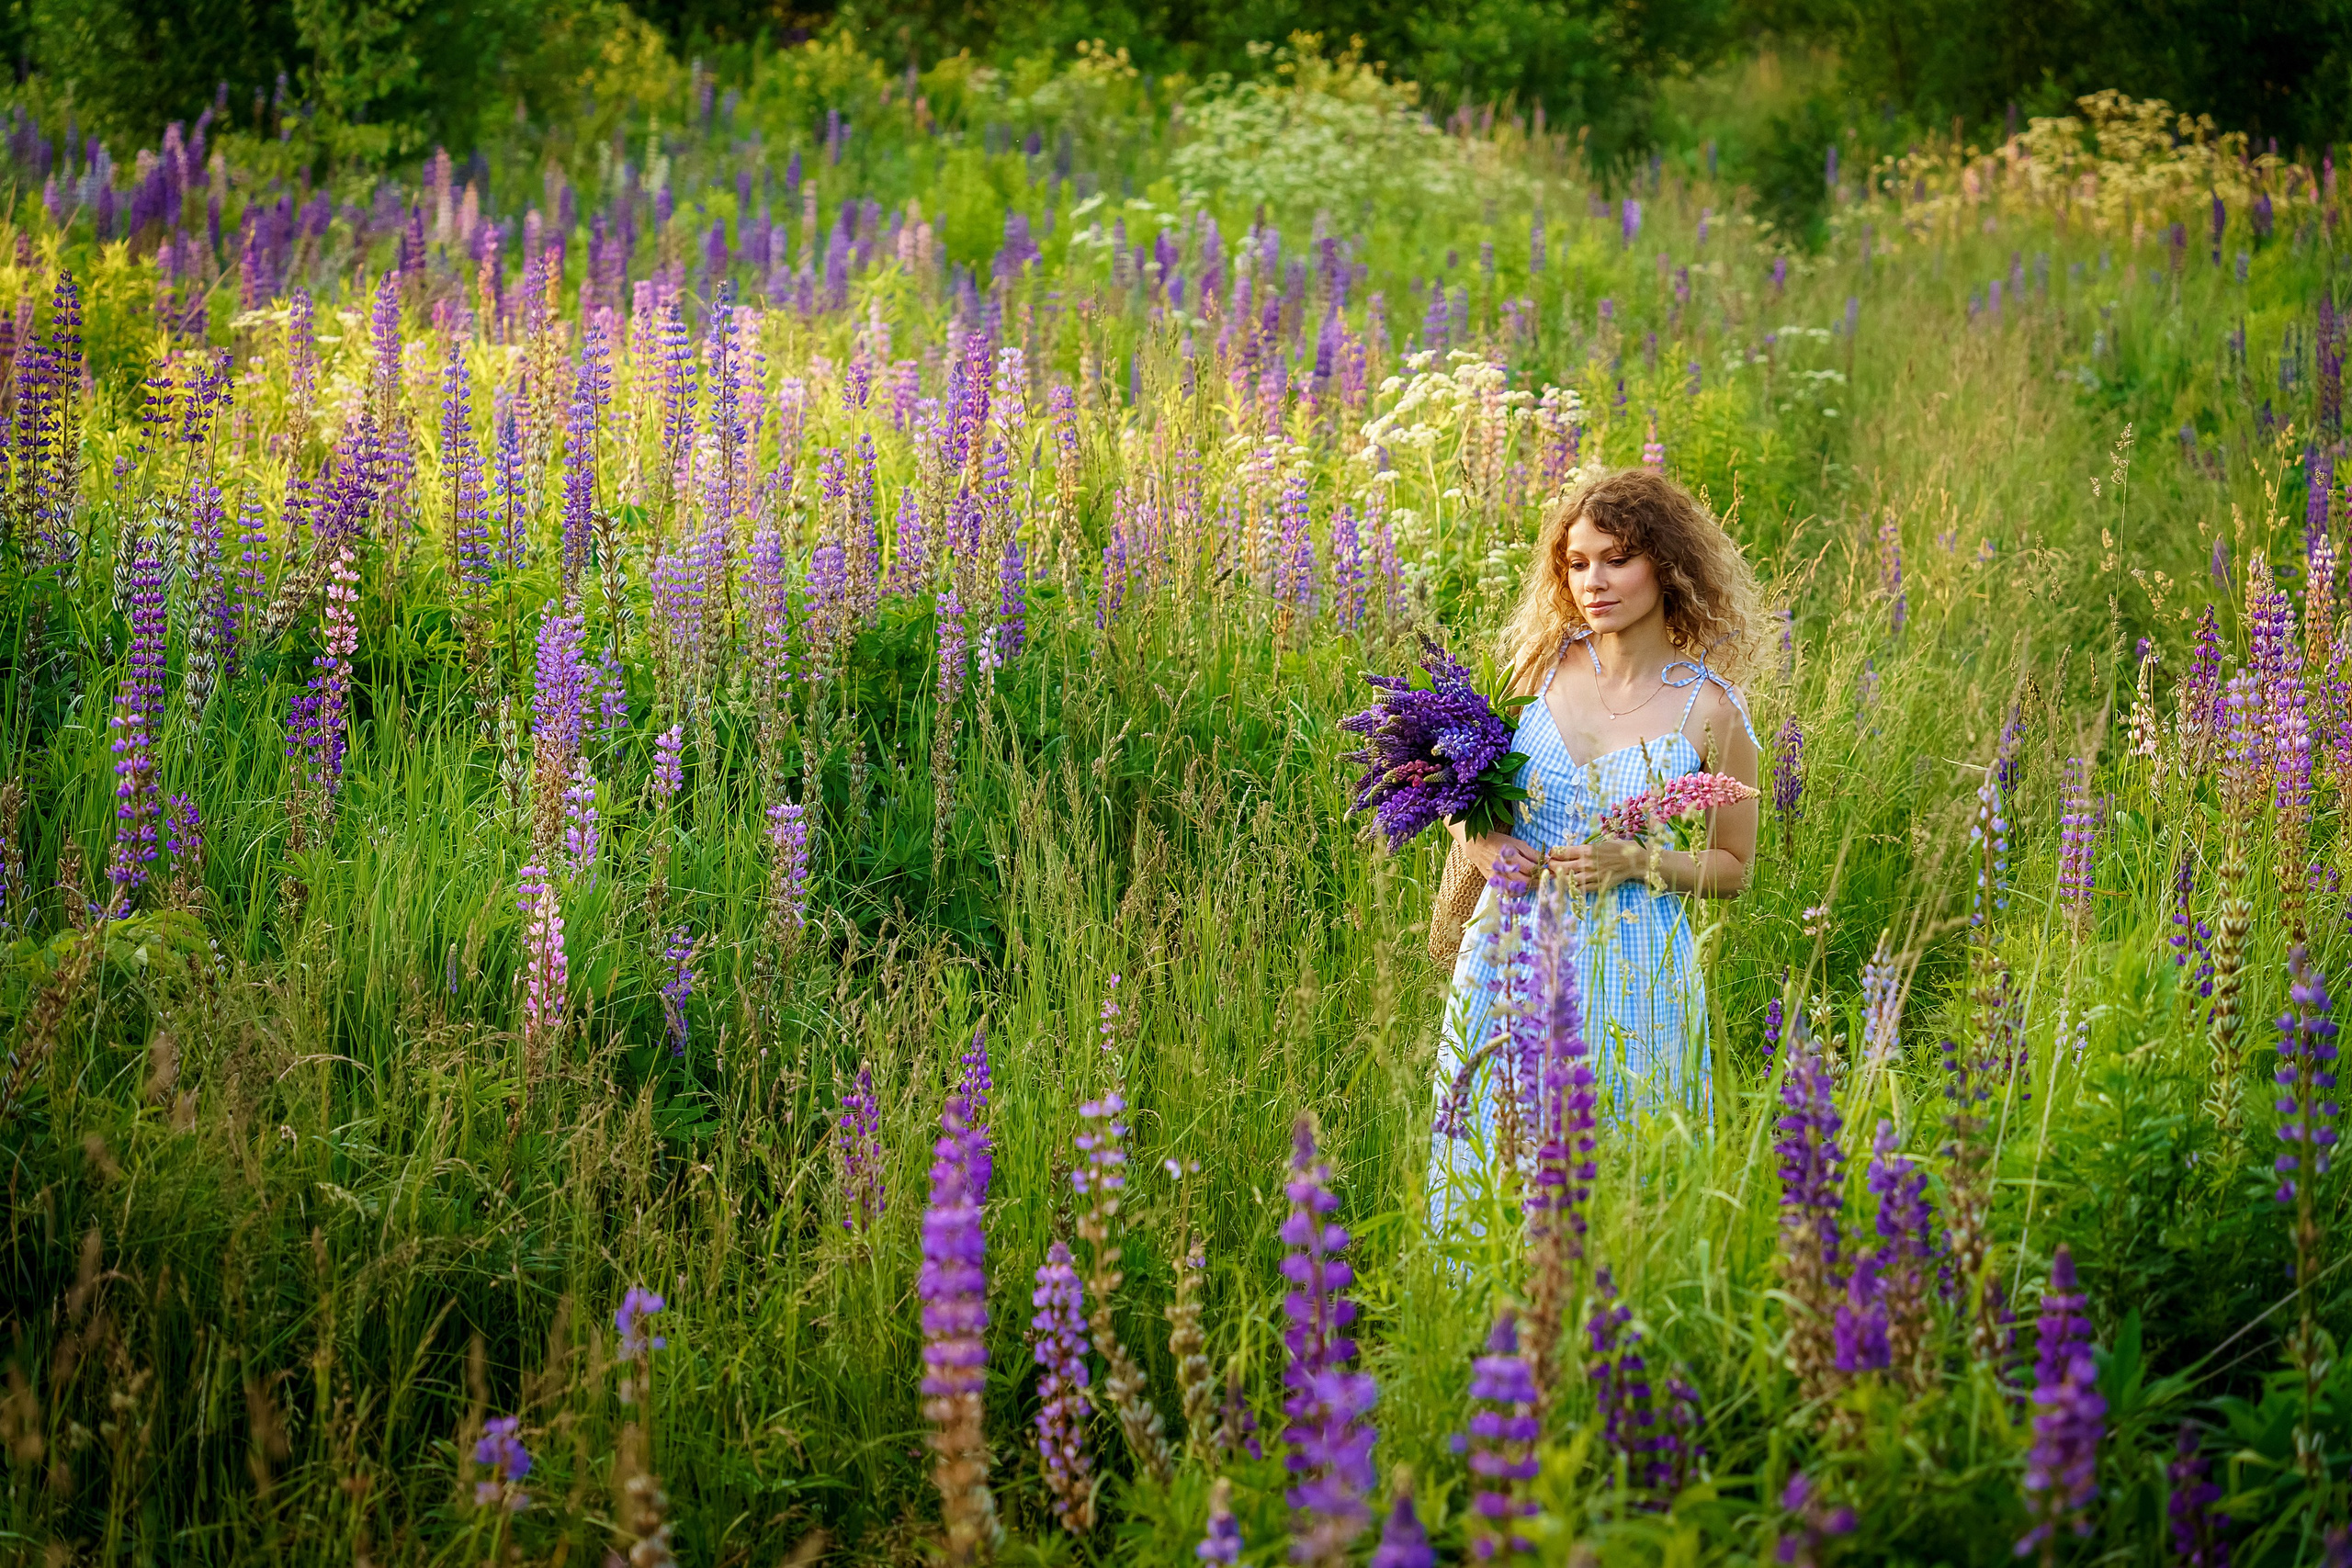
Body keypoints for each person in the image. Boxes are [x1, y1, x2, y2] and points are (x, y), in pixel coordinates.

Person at [1430, 467, 1762, 1226]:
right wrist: (1481, 844)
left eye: (1616, 558)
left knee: (1623, 1162)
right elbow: (1454, 785)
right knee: (1493, 1149)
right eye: (1577, 563)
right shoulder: (1538, 671)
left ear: (1667, 567)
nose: (1593, 582)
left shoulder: (1712, 709)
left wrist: (1635, 861)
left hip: (1633, 957)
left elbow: (1734, 868)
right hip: (1507, 953)